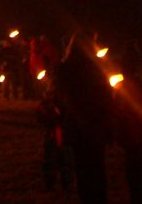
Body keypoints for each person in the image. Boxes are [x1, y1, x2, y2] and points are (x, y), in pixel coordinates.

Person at [53, 31, 112, 204]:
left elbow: (57, 98)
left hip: (77, 125)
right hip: (95, 124)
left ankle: (87, 197)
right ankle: (99, 198)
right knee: (97, 166)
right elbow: (106, 96)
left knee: (82, 167)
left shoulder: (64, 69)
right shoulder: (97, 69)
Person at [113, 50, 142, 204]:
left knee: (135, 169)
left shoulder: (125, 87)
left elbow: (118, 110)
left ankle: (140, 196)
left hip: (132, 134)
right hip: (137, 134)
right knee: (140, 169)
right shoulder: (139, 85)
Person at [37, 84, 73, 192]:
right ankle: (50, 183)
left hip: (65, 133)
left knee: (66, 158)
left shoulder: (67, 98)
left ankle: (67, 183)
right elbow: (41, 115)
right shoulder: (48, 101)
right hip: (53, 133)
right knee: (50, 158)